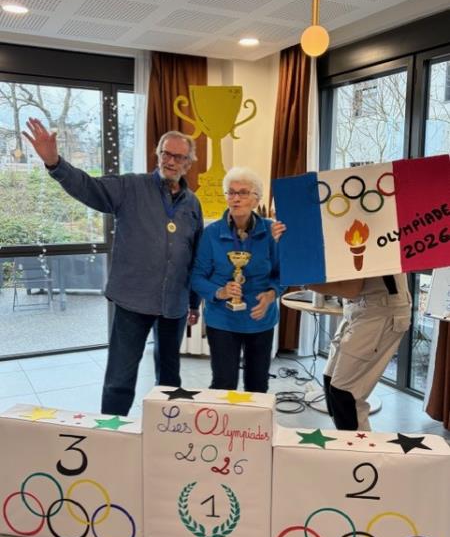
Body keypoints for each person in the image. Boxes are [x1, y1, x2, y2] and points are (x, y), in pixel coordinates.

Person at [23, 119, 203, 416]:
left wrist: (194, 302)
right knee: (120, 378)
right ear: (158, 154)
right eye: (165, 154)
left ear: (188, 163)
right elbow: (89, 187)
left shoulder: (192, 204)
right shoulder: (130, 186)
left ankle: (168, 429)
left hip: (174, 305)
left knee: (170, 379)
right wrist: (55, 163)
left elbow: (194, 254)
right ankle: (111, 430)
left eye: (178, 157)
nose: (170, 161)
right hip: (133, 301)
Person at [272, 220, 412, 431]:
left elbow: (350, 288)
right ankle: (346, 443)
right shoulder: (345, 223)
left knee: (345, 394)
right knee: (331, 383)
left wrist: (302, 279)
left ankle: (358, 450)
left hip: (381, 311)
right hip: (361, 308)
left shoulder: (362, 224)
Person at [191, 167, 281, 393]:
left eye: (243, 192)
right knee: (223, 384)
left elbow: (282, 274)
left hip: (260, 319)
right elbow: (197, 276)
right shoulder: (211, 233)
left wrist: (271, 295)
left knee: (257, 386)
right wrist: (220, 292)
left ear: (256, 199)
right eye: (231, 192)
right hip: (222, 320)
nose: (236, 198)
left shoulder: (271, 231)